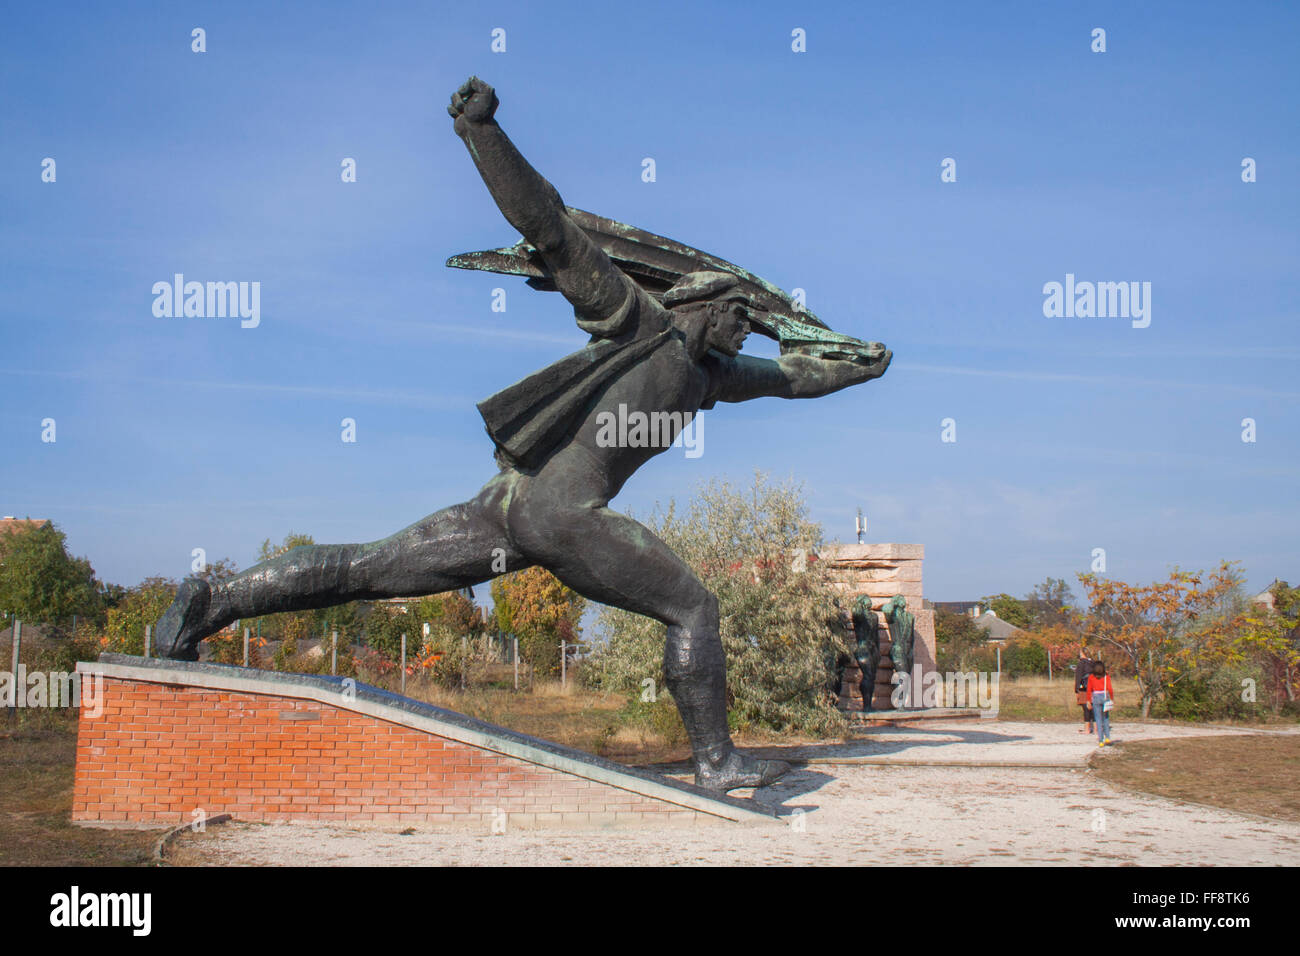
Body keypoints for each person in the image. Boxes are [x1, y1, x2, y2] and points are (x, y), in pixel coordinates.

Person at [152, 76, 892, 793]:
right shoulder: (637, 319)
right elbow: (550, 228)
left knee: (372, 567)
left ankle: (210, 604)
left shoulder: (715, 376)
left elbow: (796, 376)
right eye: (738, 318)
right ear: (705, 302)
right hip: (565, 515)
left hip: (511, 506)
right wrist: (482, 132)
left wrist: (862, 365)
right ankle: (716, 761)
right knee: (693, 606)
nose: (744, 334)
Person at [1087, 660, 1114, 747]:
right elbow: (1110, 688)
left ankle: (1101, 740)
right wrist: (1112, 699)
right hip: (1105, 696)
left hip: (1096, 697)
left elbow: (1089, 689)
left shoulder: (1091, 677)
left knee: (1098, 719)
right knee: (1106, 718)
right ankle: (1108, 738)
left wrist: (1088, 700)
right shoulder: (1106, 677)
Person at [1075, 647, 1095, 734]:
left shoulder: (1081, 663)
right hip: (1094, 687)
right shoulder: (1094, 663)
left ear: (1082, 653)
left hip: (1084, 687)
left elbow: (1078, 678)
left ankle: (1087, 729)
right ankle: (1096, 729)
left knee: (1086, 707)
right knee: (1094, 707)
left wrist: (1076, 690)